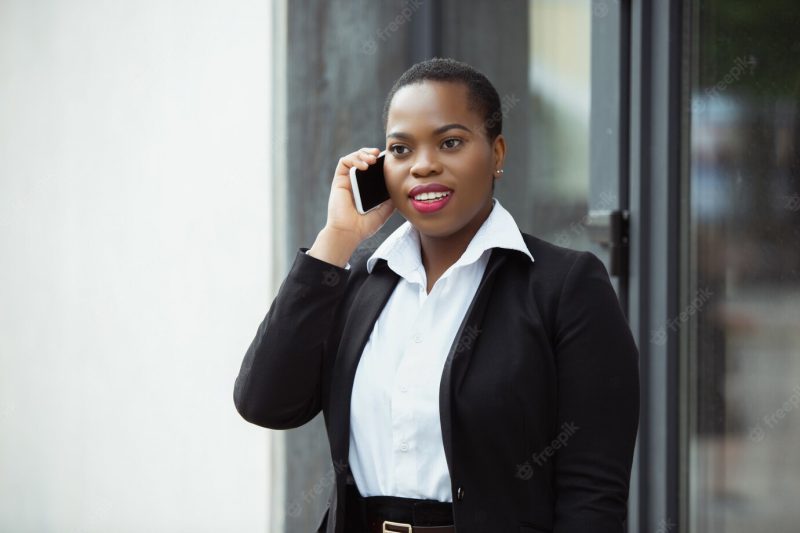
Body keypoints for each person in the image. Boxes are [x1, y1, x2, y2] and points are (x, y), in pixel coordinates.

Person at [233, 57, 640, 533]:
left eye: (450, 142)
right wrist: (337, 240)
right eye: (401, 150)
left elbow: (593, 495)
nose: (423, 165)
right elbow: (265, 401)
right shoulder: (361, 282)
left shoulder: (564, 286)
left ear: (498, 154)